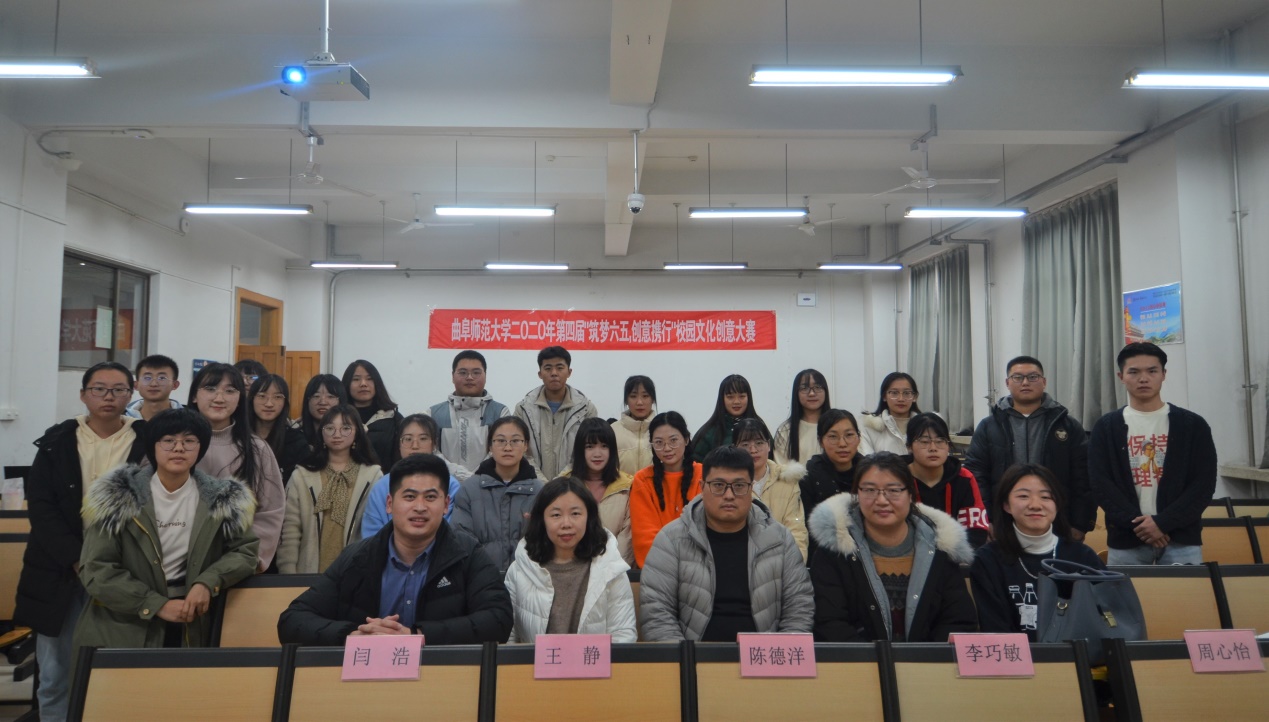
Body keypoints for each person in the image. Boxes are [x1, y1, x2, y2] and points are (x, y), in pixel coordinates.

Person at [14, 362, 146, 722]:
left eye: (118, 389)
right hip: (59, 569)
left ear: (131, 394)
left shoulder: (147, 440)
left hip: (123, 569)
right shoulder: (56, 441)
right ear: (84, 394)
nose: (108, 396)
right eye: (99, 389)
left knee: (117, 668)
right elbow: (41, 507)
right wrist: (77, 559)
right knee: (55, 671)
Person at [278, 454, 513, 646]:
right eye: (409, 497)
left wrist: (417, 636)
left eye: (430, 497)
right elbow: (292, 621)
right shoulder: (357, 557)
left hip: (439, 679)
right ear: (389, 504)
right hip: (364, 677)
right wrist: (352, 635)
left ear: (445, 505)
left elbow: (498, 620)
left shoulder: (468, 554)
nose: (420, 507)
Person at [75, 409, 259, 650]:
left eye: (189, 441)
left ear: (201, 448)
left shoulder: (222, 497)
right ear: (153, 446)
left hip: (195, 613)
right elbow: (96, 569)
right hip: (126, 620)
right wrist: (155, 604)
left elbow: (244, 551)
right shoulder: (117, 496)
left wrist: (208, 582)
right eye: (168, 440)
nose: (179, 448)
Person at [640, 447, 813, 642]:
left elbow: (799, 607)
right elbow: (657, 612)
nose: (729, 495)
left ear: (751, 488)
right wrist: (685, 657)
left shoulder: (779, 539)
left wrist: (776, 654)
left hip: (763, 656)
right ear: (702, 487)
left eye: (739, 486)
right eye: (718, 485)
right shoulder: (671, 540)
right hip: (693, 656)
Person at [808, 452, 976, 642]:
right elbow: (829, 623)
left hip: (928, 660)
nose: (881, 500)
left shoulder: (939, 547)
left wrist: (924, 657)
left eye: (893, 490)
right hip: (858, 660)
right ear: (857, 494)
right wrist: (872, 659)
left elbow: (958, 621)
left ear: (910, 494)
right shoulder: (834, 551)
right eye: (869, 490)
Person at [1089, 342, 1217, 566]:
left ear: (1163, 374)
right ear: (1121, 376)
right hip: (1126, 539)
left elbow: (1203, 484)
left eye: (1152, 371)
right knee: (1123, 591)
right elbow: (1100, 483)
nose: (1143, 378)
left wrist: (1163, 523)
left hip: (1181, 539)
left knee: (1188, 591)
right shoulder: (1106, 427)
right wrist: (1141, 526)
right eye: (1134, 372)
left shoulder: (1192, 425)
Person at [970, 464, 1104, 638]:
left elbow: (1104, 615)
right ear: (1006, 505)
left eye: (1046, 497)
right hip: (1014, 654)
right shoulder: (988, 560)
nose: (1035, 505)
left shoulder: (1082, 557)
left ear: (1057, 504)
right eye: (1023, 496)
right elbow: (995, 629)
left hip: (1077, 653)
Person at [964, 356, 1093, 537]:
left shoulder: (1068, 426)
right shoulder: (989, 426)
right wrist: (986, 519)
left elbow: (1083, 477)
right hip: (1003, 522)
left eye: (1033, 377)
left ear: (1044, 382)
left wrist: (1079, 524)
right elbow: (976, 475)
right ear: (1007, 383)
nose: (1025, 382)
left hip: (1058, 522)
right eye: (1017, 377)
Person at [504, 477, 637, 643]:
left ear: (589, 517)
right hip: (536, 661)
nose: (566, 524)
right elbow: (509, 638)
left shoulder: (610, 568)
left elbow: (623, 635)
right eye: (556, 515)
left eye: (575, 514)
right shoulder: (520, 569)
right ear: (542, 520)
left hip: (593, 660)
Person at [187, 362, 284, 572]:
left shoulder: (257, 449)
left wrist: (244, 561)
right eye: (210, 389)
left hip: (236, 567)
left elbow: (270, 512)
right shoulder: (173, 444)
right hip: (177, 566)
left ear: (240, 398)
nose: (219, 398)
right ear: (194, 395)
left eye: (229, 391)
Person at [277, 404, 383, 574]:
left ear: (357, 432)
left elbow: (375, 533)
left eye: (346, 428)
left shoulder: (373, 476)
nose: (337, 434)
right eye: (330, 428)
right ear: (321, 433)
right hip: (307, 573)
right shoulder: (302, 475)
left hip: (355, 573)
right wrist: (288, 573)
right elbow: (290, 531)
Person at [450, 417, 545, 576]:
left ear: (526, 446)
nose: (507, 447)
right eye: (500, 441)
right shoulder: (469, 489)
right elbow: (461, 538)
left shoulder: (539, 491)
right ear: (490, 446)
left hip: (529, 577)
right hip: (480, 577)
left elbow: (544, 540)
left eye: (515, 441)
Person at [361, 414, 468, 540]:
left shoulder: (450, 484)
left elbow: (450, 531)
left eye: (423, 439)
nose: (415, 445)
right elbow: (371, 534)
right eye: (408, 439)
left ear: (434, 444)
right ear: (399, 444)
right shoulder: (382, 486)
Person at [629, 412, 703, 568]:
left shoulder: (704, 475)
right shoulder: (643, 480)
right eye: (659, 442)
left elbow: (705, 531)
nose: (667, 448)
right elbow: (644, 538)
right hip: (659, 570)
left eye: (673, 440)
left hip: (699, 568)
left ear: (686, 439)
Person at [905, 413, 990, 548]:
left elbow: (975, 532)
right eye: (924, 442)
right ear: (909, 446)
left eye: (940, 441)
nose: (933, 448)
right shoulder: (896, 478)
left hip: (955, 554)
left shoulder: (964, 478)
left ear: (948, 445)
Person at [514, 346, 599, 479]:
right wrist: (541, 483)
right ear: (540, 374)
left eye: (560, 368)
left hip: (573, 484)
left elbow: (588, 450)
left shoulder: (586, 409)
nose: (554, 373)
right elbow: (520, 450)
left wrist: (561, 483)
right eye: (548, 368)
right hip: (533, 485)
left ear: (569, 372)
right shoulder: (523, 409)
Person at [732, 418, 808, 561]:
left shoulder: (787, 480)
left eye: (759, 443)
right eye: (745, 444)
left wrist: (794, 564)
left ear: (769, 445)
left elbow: (796, 531)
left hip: (783, 562)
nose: (753, 450)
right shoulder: (728, 484)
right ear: (735, 448)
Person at [564, 418, 634, 566]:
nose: (597, 454)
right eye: (590, 446)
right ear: (580, 450)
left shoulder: (628, 486)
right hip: (572, 568)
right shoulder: (563, 485)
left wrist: (609, 569)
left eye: (604, 446)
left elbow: (627, 538)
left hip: (614, 569)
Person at [429, 350, 512, 473]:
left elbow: (502, 449)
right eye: (463, 373)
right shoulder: (433, 414)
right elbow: (431, 450)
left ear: (485, 375)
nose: (469, 377)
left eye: (476, 372)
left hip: (488, 481)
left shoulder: (500, 412)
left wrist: (477, 477)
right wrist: (458, 475)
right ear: (452, 376)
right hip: (446, 481)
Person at [798, 409, 865, 520]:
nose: (842, 444)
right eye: (833, 436)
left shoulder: (869, 473)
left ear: (858, 438)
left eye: (849, 435)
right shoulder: (809, 478)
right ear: (821, 441)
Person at [247, 374, 311, 484]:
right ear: (252, 399)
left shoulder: (296, 441)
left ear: (285, 402)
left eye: (277, 397)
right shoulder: (239, 436)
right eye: (262, 396)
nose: (269, 404)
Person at [342, 359, 403, 467]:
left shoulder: (394, 419)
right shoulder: (338, 419)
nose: (363, 384)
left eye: (369, 379)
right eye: (356, 379)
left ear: (377, 383)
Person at [693, 374, 762, 462]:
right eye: (730, 397)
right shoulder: (708, 432)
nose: (736, 402)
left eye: (742, 396)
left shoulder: (760, 428)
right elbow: (696, 463)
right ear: (722, 399)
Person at [859, 372, 924, 456]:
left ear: (915, 397)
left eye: (906, 393)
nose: (901, 399)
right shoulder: (869, 427)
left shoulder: (925, 426)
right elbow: (867, 460)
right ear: (884, 396)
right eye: (894, 393)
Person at [773, 369, 830, 464]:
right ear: (796, 393)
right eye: (804, 388)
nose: (812, 393)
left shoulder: (837, 425)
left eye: (817, 387)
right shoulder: (785, 430)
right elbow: (782, 469)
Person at [612, 375, 656, 476]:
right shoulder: (612, 431)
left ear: (653, 399)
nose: (639, 402)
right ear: (626, 400)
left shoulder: (662, 431)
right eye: (633, 396)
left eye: (645, 396)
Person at [125, 354, 183, 420]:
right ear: (136, 385)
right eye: (147, 378)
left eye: (162, 378)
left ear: (175, 385)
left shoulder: (187, 420)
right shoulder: (122, 419)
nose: (154, 384)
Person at [300, 374, 347, 448]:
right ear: (307, 400)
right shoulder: (295, 436)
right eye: (316, 396)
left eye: (330, 396)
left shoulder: (349, 434)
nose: (323, 402)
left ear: (341, 401)